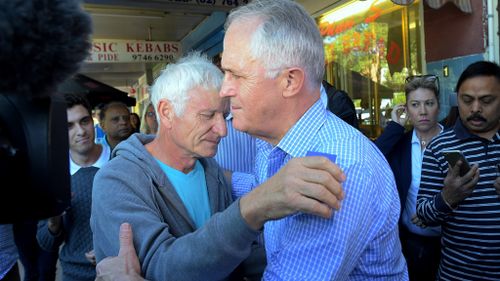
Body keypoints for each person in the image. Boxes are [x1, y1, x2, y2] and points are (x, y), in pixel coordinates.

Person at [91, 52, 345, 281]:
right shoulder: (117, 180)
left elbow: (234, 259)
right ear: (167, 112)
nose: (223, 130)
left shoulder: (209, 169)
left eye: (224, 116)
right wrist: (250, 211)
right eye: (207, 116)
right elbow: (162, 269)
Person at [218, 0, 406, 279]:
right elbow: (263, 187)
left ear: (290, 81)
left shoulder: (340, 168)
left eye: (237, 75)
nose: (224, 89)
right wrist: (209, 173)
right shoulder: (271, 142)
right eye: (225, 73)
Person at [416, 60, 500, 280]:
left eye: (486, 101)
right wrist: (447, 197)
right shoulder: (440, 147)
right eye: (467, 100)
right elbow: (424, 212)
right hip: (458, 274)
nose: (475, 109)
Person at [374, 75, 443, 280]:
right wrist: (395, 126)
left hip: (450, 244)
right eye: (415, 105)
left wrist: (434, 212)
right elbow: (373, 157)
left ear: (438, 106)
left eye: (429, 103)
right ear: (407, 109)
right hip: (408, 244)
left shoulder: (453, 143)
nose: (423, 111)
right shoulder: (401, 145)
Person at [37, 93, 110, 281]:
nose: (80, 131)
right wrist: (53, 222)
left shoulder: (120, 160)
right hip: (74, 273)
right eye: (69, 126)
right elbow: (45, 242)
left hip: (122, 270)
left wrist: (112, 247)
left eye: (84, 121)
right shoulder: (52, 174)